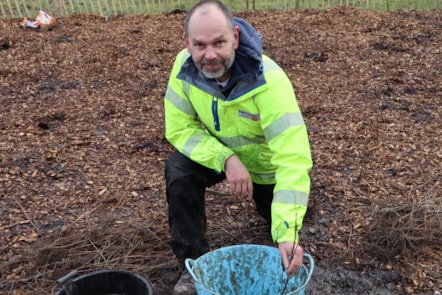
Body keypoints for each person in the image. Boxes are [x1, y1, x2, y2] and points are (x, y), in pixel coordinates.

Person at [163, 0, 312, 293]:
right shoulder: (184, 69)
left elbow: (293, 158)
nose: (210, 55)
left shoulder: (268, 80)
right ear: (186, 43)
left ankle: (281, 216)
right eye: (200, 45)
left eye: (219, 42)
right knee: (178, 169)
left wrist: (287, 232)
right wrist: (226, 158)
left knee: (278, 224)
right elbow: (179, 129)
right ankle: (195, 264)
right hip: (221, 152)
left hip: (266, 167)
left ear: (235, 37)